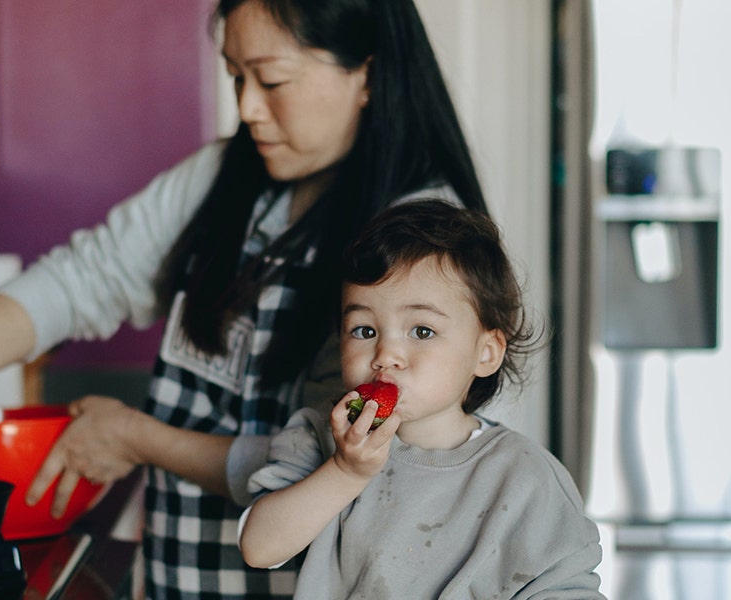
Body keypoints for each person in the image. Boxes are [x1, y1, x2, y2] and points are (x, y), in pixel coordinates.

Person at [0, 0, 489, 597]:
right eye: (236, 77)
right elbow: (83, 279)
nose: (249, 109)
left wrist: (137, 438)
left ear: (367, 74)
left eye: (272, 80)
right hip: (180, 575)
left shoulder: (418, 240)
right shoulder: (226, 176)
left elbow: (333, 452)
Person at [237, 200, 605, 599]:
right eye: (363, 330)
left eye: (422, 331)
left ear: (486, 353)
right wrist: (347, 471)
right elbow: (260, 547)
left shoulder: (523, 477)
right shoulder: (316, 437)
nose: (385, 355)